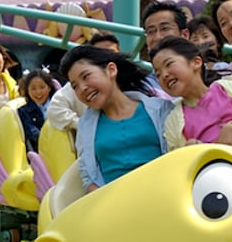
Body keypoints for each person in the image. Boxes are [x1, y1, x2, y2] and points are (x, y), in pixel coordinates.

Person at [59, 46, 174, 193]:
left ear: (111, 70)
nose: (82, 88)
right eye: (75, 86)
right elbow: (88, 176)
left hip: (163, 194)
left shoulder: (161, 109)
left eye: (86, 76)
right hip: (114, 205)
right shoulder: (85, 126)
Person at [150, 36, 232, 150]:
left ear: (196, 62)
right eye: (158, 74)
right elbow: (176, 160)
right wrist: (188, 151)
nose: (164, 75)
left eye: (169, 64)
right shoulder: (172, 121)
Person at [45, 31, 120, 134]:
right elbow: (55, 109)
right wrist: (85, 125)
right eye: (100, 54)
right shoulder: (82, 85)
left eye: (110, 53)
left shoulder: (136, 86)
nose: (106, 58)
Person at [17, 68, 58, 151]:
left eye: (42, 87)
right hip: (43, 152)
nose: (38, 92)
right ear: (27, 90)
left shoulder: (59, 105)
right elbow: (33, 134)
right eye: (33, 88)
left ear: (49, 87)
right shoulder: (23, 111)